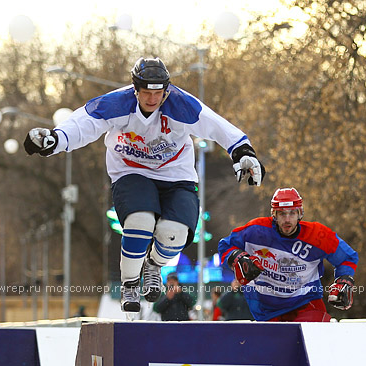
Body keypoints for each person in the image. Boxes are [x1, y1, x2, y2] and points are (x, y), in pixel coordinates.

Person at [23, 57, 265, 316]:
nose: (152, 99)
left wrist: (242, 152)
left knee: (175, 234)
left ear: (166, 91)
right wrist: (55, 139)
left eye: (158, 93)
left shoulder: (180, 104)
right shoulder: (117, 103)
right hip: (130, 171)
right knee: (140, 221)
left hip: (176, 175)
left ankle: (153, 264)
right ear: (135, 90)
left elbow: (216, 125)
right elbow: (84, 124)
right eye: (146, 93)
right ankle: (130, 283)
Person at [217, 187, 358, 322]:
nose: (287, 219)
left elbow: (347, 257)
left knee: (309, 340)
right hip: (266, 308)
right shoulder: (256, 231)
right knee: (276, 346)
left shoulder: (318, 235)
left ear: (300, 213)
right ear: (274, 215)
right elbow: (226, 245)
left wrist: (343, 280)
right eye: (282, 213)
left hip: (306, 303)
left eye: (292, 213)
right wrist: (238, 258)